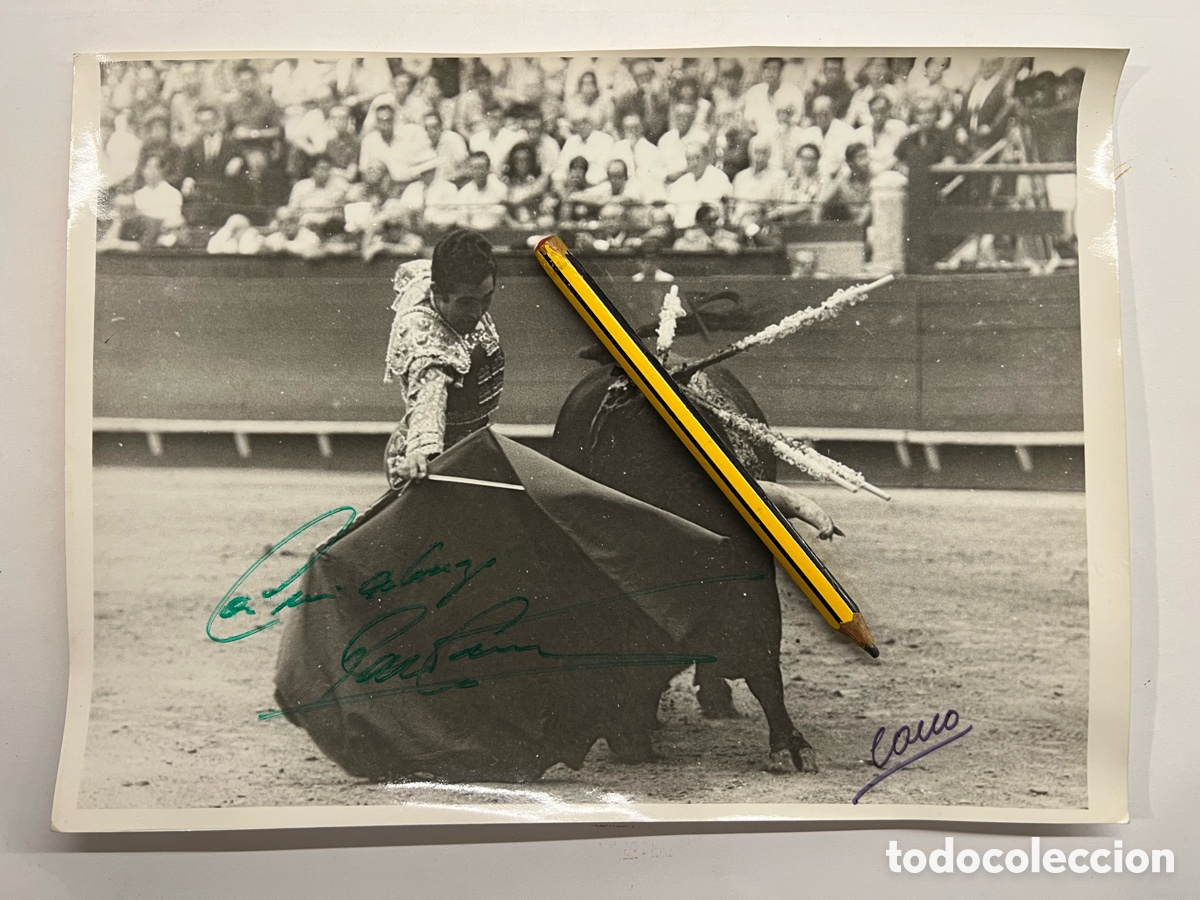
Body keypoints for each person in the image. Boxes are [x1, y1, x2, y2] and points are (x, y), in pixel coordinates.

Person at [383, 229, 505, 486]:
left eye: (487, 298)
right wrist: (421, 450)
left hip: (473, 445)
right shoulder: (424, 333)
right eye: (466, 302)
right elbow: (430, 391)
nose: (478, 312)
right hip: (433, 462)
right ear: (438, 293)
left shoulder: (449, 280)